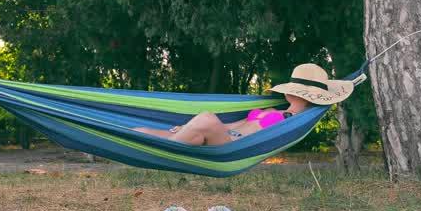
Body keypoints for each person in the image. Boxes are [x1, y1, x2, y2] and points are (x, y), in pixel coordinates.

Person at [132, 63, 355, 146]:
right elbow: (239, 122)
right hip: (217, 136)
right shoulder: (278, 111)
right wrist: (189, 127)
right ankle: (180, 137)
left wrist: (204, 125)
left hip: (228, 146)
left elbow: (262, 135)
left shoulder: (295, 120)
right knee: (140, 131)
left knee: (207, 118)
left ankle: (177, 142)